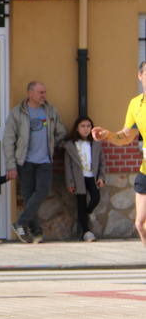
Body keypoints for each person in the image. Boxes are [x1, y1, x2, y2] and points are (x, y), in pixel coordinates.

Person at [2, 80, 66, 243]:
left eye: (44, 92)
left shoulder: (50, 111)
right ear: (30, 93)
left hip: (45, 160)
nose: (44, 95)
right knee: (29, 196)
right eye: (40, 92)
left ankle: (21, 223)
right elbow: (8, 140)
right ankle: (36, 231)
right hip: (25, 161)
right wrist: (11, 164)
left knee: (42, 191)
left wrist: (54, 143)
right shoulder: (17, 113)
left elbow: (61, 131)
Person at [92, 61, 146, 246]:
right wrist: (108, 135)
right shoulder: (136, 105)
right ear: (140, 76)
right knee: (141, 224)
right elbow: (126, 137)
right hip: (145, 170)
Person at [62, 116, 105, 242]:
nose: (86, 129)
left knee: (96, 197)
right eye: (83, 126)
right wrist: (70, 182)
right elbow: (68, 166)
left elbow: (102, 162)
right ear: (77, 128)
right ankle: (86, 232)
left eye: (88, 126)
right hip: (78, 178)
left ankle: (88, 211)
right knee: (80, 204)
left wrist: (101, 177)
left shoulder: (96, 143)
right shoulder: (71, 145)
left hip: (92, 176)